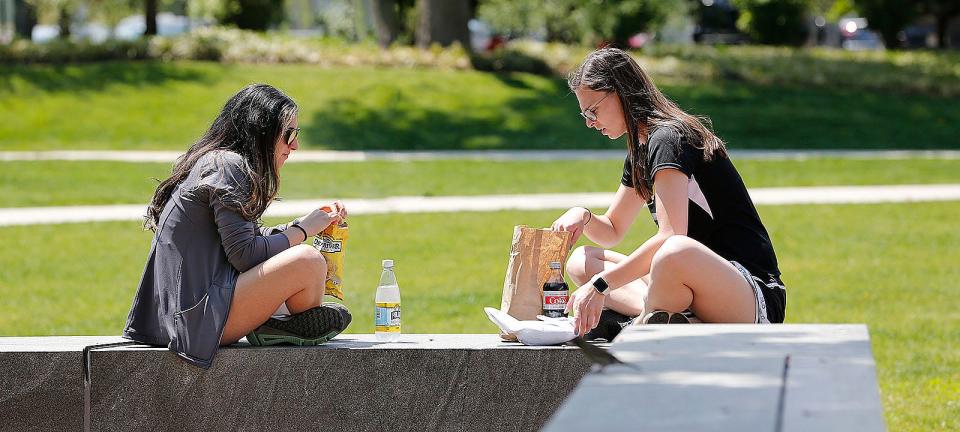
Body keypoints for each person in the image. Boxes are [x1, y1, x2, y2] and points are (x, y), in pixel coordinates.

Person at [551, 48, 786, 338]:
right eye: (584, 114)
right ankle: (669, 320)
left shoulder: (669, 138)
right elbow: (612, 230)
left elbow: (671, 235)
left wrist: (601, 285)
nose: (589, 122)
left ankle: (634, 326)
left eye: (593, 111)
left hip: (750, 295)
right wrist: (583, 216)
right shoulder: (641, 150)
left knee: (672, 251)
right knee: (581, 262)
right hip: (692, 287)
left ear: (619, 93)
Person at [122, 84, 351, 368]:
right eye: (288, 134)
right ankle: (287, 324)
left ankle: (281, 324)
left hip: (184, 316)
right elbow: (246, 255)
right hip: (196, 322)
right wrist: (302, 233)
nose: (295, 146)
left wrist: (300, 224)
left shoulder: (217, 161)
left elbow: (245, 240)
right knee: (308, 261)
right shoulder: (229, 166)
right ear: (261, 131)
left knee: (300, 266)